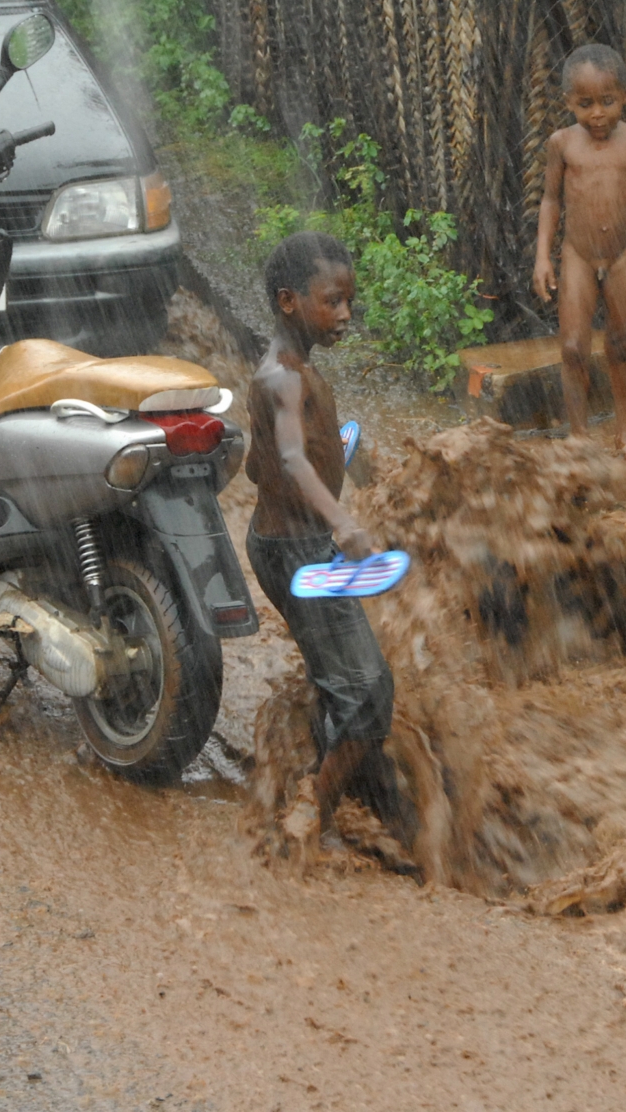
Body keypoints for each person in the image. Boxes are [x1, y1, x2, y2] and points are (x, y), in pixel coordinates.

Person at [245, 231, 396, 841]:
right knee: (370, 691)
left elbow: (272, 461)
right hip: (298, 553)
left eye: (348, 302)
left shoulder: (296, 368)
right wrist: (343, 521)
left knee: (344, 678)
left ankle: (361, 780)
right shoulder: (283, 378)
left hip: (292, 542)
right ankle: (312, 806)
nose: (345, 316)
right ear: (289, 301)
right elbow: (286, 460)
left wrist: (354, 460)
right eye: (332, 302)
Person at [531, 43, 626, 459]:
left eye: (608, 102)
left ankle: (625, 438)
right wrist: (543, 256)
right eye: (585, 104)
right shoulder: (562, 144)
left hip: (623, 255)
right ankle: (579, 436)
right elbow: (550, 201)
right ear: (568, 103)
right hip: (577, 253)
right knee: (573, 348)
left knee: (620, 343)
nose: (597, 114)